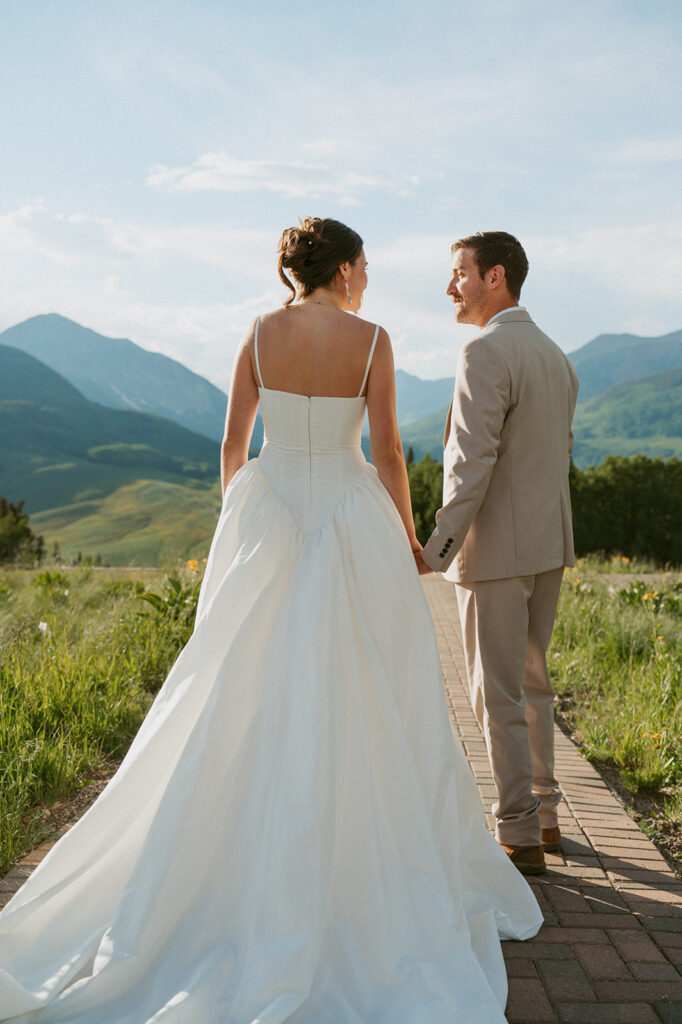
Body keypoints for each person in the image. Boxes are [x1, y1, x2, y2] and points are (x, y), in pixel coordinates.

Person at [0, 218, 541, 1024]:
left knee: (239, 681)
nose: (368, 278)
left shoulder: (258, 333)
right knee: (368, 683)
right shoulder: (372, 339)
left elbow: (233, 442)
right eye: (365, 265)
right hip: (353, 515)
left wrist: (240, 518)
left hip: (271, 509)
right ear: (346, 268)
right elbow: (388, 450)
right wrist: (405, 536)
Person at [418, 231, 579, 876]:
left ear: (496, 277)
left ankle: (517, 832)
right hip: (548, 546)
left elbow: (470, 464)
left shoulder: (484, 352)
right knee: (533, 686)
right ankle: (544, 813)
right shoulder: (555, 354)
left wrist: (436, 548)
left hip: (497, 552)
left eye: (459, 272)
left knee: (496, 694)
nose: (450, 286)